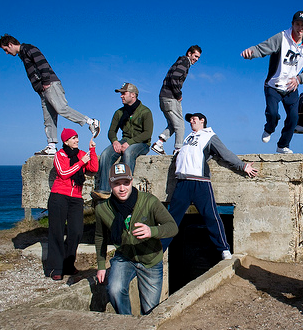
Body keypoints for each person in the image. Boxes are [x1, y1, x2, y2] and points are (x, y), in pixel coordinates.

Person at [160, 113, 259, 260]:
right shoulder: (188, 138)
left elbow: (225, 153)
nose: (191, 121)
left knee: (211, 216)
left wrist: (243, 166)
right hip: (182, 183)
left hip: (200, 183)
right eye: (190, 120)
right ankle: (158, 250)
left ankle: (224, 249)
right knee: (172, 219)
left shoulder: (209, 136)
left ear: (202, 121)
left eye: (194, 119)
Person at [94, 163, 178, 315]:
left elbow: (173, 227)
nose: (122, 188)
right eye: (117, 184)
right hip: (124, 257)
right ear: (110, 184)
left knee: (150, 310)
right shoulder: (102, 209)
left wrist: (152, 231)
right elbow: (100, 236)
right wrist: (101, 265)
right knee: (114, 290)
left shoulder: (149, 201)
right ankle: (127, 322)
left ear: (131, 181)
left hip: (151, 259)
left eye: (126, 183)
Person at [0, 34, 100, 155]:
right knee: (48, 117)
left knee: (61, 108)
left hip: (50, 84)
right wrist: (40, 89)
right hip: (42, 90)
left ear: (10, 44)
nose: (6, 53)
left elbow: (42, 62)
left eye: (6, 49)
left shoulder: (28, 48)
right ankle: (51, 146)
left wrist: (46, 82)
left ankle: (91, 122)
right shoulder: (22, 54)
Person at [241, 11, 303, 154]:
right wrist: (251, 52)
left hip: (291, 87)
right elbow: (263, 48)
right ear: (292, 24)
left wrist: (299, 79)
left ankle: (282, 145)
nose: (300, 28)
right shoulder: (281, 38)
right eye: (297, 24)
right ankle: (269, 128)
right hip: (273, 85)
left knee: (294, 118)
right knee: (273, 114)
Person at [45, 128, 98, 281]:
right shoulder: (60, 155)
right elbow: (63, 172)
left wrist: (92, 150)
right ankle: (55, 268)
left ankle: (68, 264)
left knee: (76, 232)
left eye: (77, 137)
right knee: (56, 232)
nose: (77, 140)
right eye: (74, 138)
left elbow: (93, 169)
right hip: (59, 197)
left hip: (76, 198)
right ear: (66, 141)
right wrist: (82, 162)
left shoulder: (82, 154)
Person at [92, 83, 153, 199]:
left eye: (123, 93)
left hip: (142, 143)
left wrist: (130, 143)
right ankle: (104, 190)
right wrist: (115, 141)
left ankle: (126, 190)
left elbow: (147, 134)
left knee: (129, 152)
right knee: (105, 154)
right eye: (121, 94)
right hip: (124, 140)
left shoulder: (145, 112)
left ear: (133, 95)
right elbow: (111, 131)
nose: (121, 96)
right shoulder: (119, 112)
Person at [151, 45, 202, 156]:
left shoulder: (180, 62)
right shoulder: (184, 62)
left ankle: (159, 143)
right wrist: (178, 94)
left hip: (164, 98)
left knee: (173, 124)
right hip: (170, 98)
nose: (196, 59)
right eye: (195, 56)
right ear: (189, 53)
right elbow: (174, 78)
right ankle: (178, 150)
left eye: (198, 57)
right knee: (180, 125)